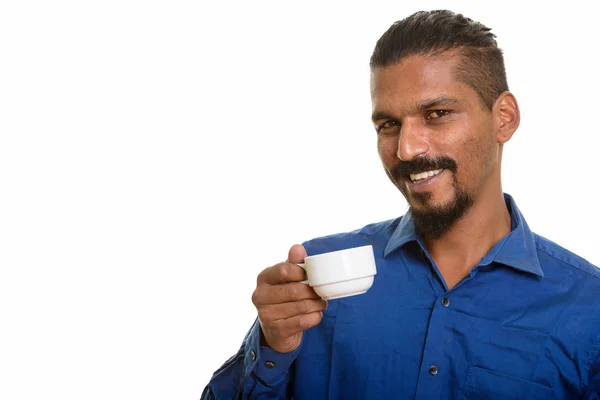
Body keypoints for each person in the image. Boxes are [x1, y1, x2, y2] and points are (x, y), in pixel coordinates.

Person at [201, 9, 600, 399]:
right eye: (388, 125)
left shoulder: (588, 308)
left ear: (504, 118)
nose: (407, 149)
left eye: (437, 114)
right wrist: (273, 345)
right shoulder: (317, 280)